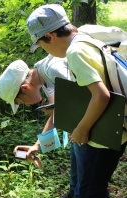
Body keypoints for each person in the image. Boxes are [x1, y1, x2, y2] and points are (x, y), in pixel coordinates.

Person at [26, 4, 127, 198]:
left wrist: (81, 129)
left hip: (102, 135)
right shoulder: (84, 36)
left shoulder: (75, 52)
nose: (44, 50)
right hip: (112, 124)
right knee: (89, 188)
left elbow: (101, 95)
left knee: (90, 192)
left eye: (41, 45)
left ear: (50, 36)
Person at [0, 55, 79, 198]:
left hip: (96, 132)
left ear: (25, 87)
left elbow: (84, 100)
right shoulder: (46, 81)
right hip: (79, 137)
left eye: (20, 102)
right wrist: (37, 146)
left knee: (89, 189)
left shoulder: (54, 70)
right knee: (76, 186)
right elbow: (56, 115)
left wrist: (59, 110)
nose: (27, 105)